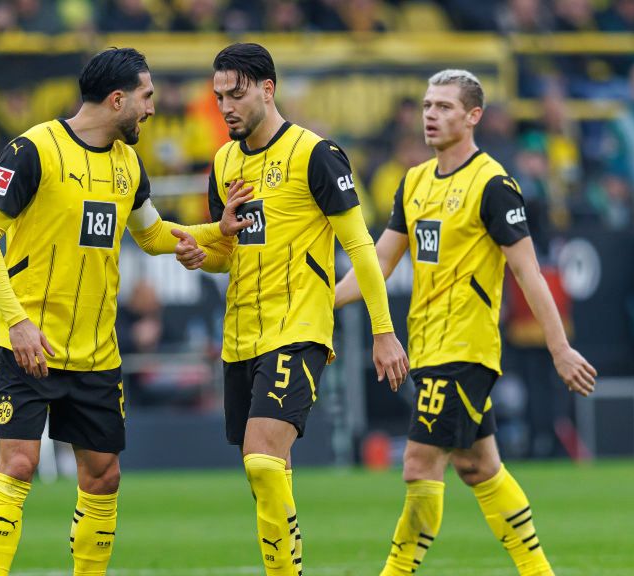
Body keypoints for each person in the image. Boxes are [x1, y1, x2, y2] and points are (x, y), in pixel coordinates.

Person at [0, 47, 249, 576]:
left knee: (103, 477)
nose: (150, 110)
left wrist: (216, 231)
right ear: (117, 99)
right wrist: (17, 320)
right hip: (28, 344)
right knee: (20, 464)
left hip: (96, 354)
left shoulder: (129, 165)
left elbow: (153, 234)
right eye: (145, 98)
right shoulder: (34, 151)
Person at [333, 69, 597, 576]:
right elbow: (377, 266)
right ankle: (539, 571)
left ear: (473, 116)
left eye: (445, 107)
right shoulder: (412, 182)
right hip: (428, 346)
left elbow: (529, 273)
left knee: (418, 465)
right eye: (428, 106)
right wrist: (320, 301)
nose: (431, 115)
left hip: (465, 348)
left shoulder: (493, 185)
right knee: (479, 467)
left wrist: (559, 348)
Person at [173, 42, 409, 576]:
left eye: (236, 94)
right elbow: (228, 252)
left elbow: (361, 246)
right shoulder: (224, 161)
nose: (226, 107)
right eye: (218, 98)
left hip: (298, 328)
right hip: (241, 335)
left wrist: (383, 330)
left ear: (267, 89)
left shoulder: (315, 154)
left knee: (261, 457)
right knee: (267, 471)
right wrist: (200, 252)